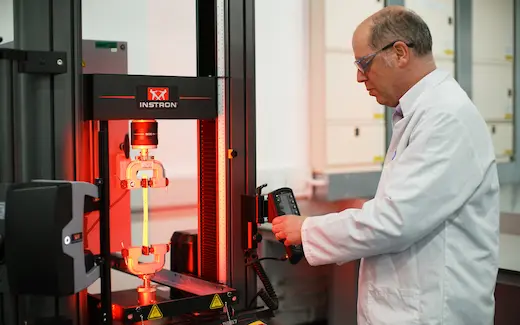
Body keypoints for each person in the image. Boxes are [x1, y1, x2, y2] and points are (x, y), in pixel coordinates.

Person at [272, 5, 500, 325]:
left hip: (434, 313)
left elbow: (396, 220)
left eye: (364, 63)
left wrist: (308, 229)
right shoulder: (420, 114)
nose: (359, 76)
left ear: (400, 53)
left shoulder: (446, 118)